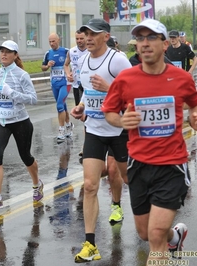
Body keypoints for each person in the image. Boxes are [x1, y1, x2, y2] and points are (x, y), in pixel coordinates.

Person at [102, 19, 197, 264]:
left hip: (172, 165)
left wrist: (196, 118)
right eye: (140, 39)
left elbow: (195, 105)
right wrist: (122, 122)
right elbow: (109, 111)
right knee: (145, 233)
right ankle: (176, 235)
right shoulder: (125, 79)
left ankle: (166, 240)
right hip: (138, 165)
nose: (145, 43)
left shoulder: (180, 78)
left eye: (151, 38)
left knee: (155, 235)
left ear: (165, 43)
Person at [69, 18, 131, 263]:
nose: (88, 37)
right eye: (86, 33)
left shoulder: (117, 60)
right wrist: (81, 106)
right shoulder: (83, 60)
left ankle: (151, 220)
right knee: (90, 185)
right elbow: (87, 90)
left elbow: (135, 90)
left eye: (93, 33)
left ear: (106, 36)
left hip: (119, 130)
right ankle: (91, 244)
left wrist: (110, 88)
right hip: (94, 128)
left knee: (126, 177)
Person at [0, 40, 43, 210]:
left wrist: (12, 93)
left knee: (26, 156)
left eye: (8, 51)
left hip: (20, 122)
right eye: (1, 51)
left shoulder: (22, 75)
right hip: (1, 121)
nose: (3, 54)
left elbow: (32, 98)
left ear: (15, 55)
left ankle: (36, 184)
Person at [42, 33, 73, 142]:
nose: (51, 44)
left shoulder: (66, 51)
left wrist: (71, 74)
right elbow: (43, 68)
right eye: (50, 41)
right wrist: (47, 66)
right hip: (54, 83)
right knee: (62, 106)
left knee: (59, 105)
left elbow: (75, 64)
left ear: (58, 40)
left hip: (65, 83)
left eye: (53, 41)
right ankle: (69, 124)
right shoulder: (48, 53)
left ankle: (61, 130)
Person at [64, 30, 88, 106]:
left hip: (88, 85)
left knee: (88, 109)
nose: (79, 41)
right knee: (79, 109)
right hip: (76, 85)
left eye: (81, 38)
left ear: (86, 38)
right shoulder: (71, 51)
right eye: (77, 39)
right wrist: (68, 74)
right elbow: (66, 65)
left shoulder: (90, 50)